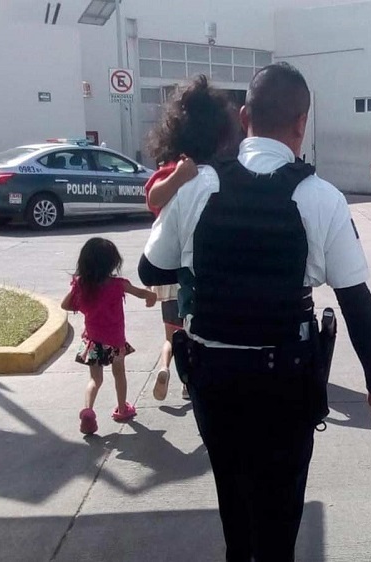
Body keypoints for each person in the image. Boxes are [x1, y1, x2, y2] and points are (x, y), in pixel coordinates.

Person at [139, 62, 371, 562]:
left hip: (214, 381)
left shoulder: (195, 186)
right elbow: (356, 301)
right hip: (286, 386)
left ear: (244, 117)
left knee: (234, 511)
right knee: (280, 521)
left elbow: (151, 269)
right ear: (302, 122)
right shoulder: (321, 198)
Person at [143, 76, 233, 401]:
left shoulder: (187, 169)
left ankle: (175, 369)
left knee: (175, 330)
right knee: (184, 329)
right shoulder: (182, 169)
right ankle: (183, 373)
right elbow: (154, 196)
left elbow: (153, 200)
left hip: (176, 271)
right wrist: (180, 176)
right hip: (190, 271)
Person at [61, 237, 157, 435]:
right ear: (112, 263)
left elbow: (65, 305)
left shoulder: (81, 284)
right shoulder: (118, 284)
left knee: (95, 380)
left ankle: (88, 410)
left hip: (92, 341)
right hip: (115, 342)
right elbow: (141, 293)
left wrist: (82, 304)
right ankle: (122, 409)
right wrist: (152, 295)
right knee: (119, 374)